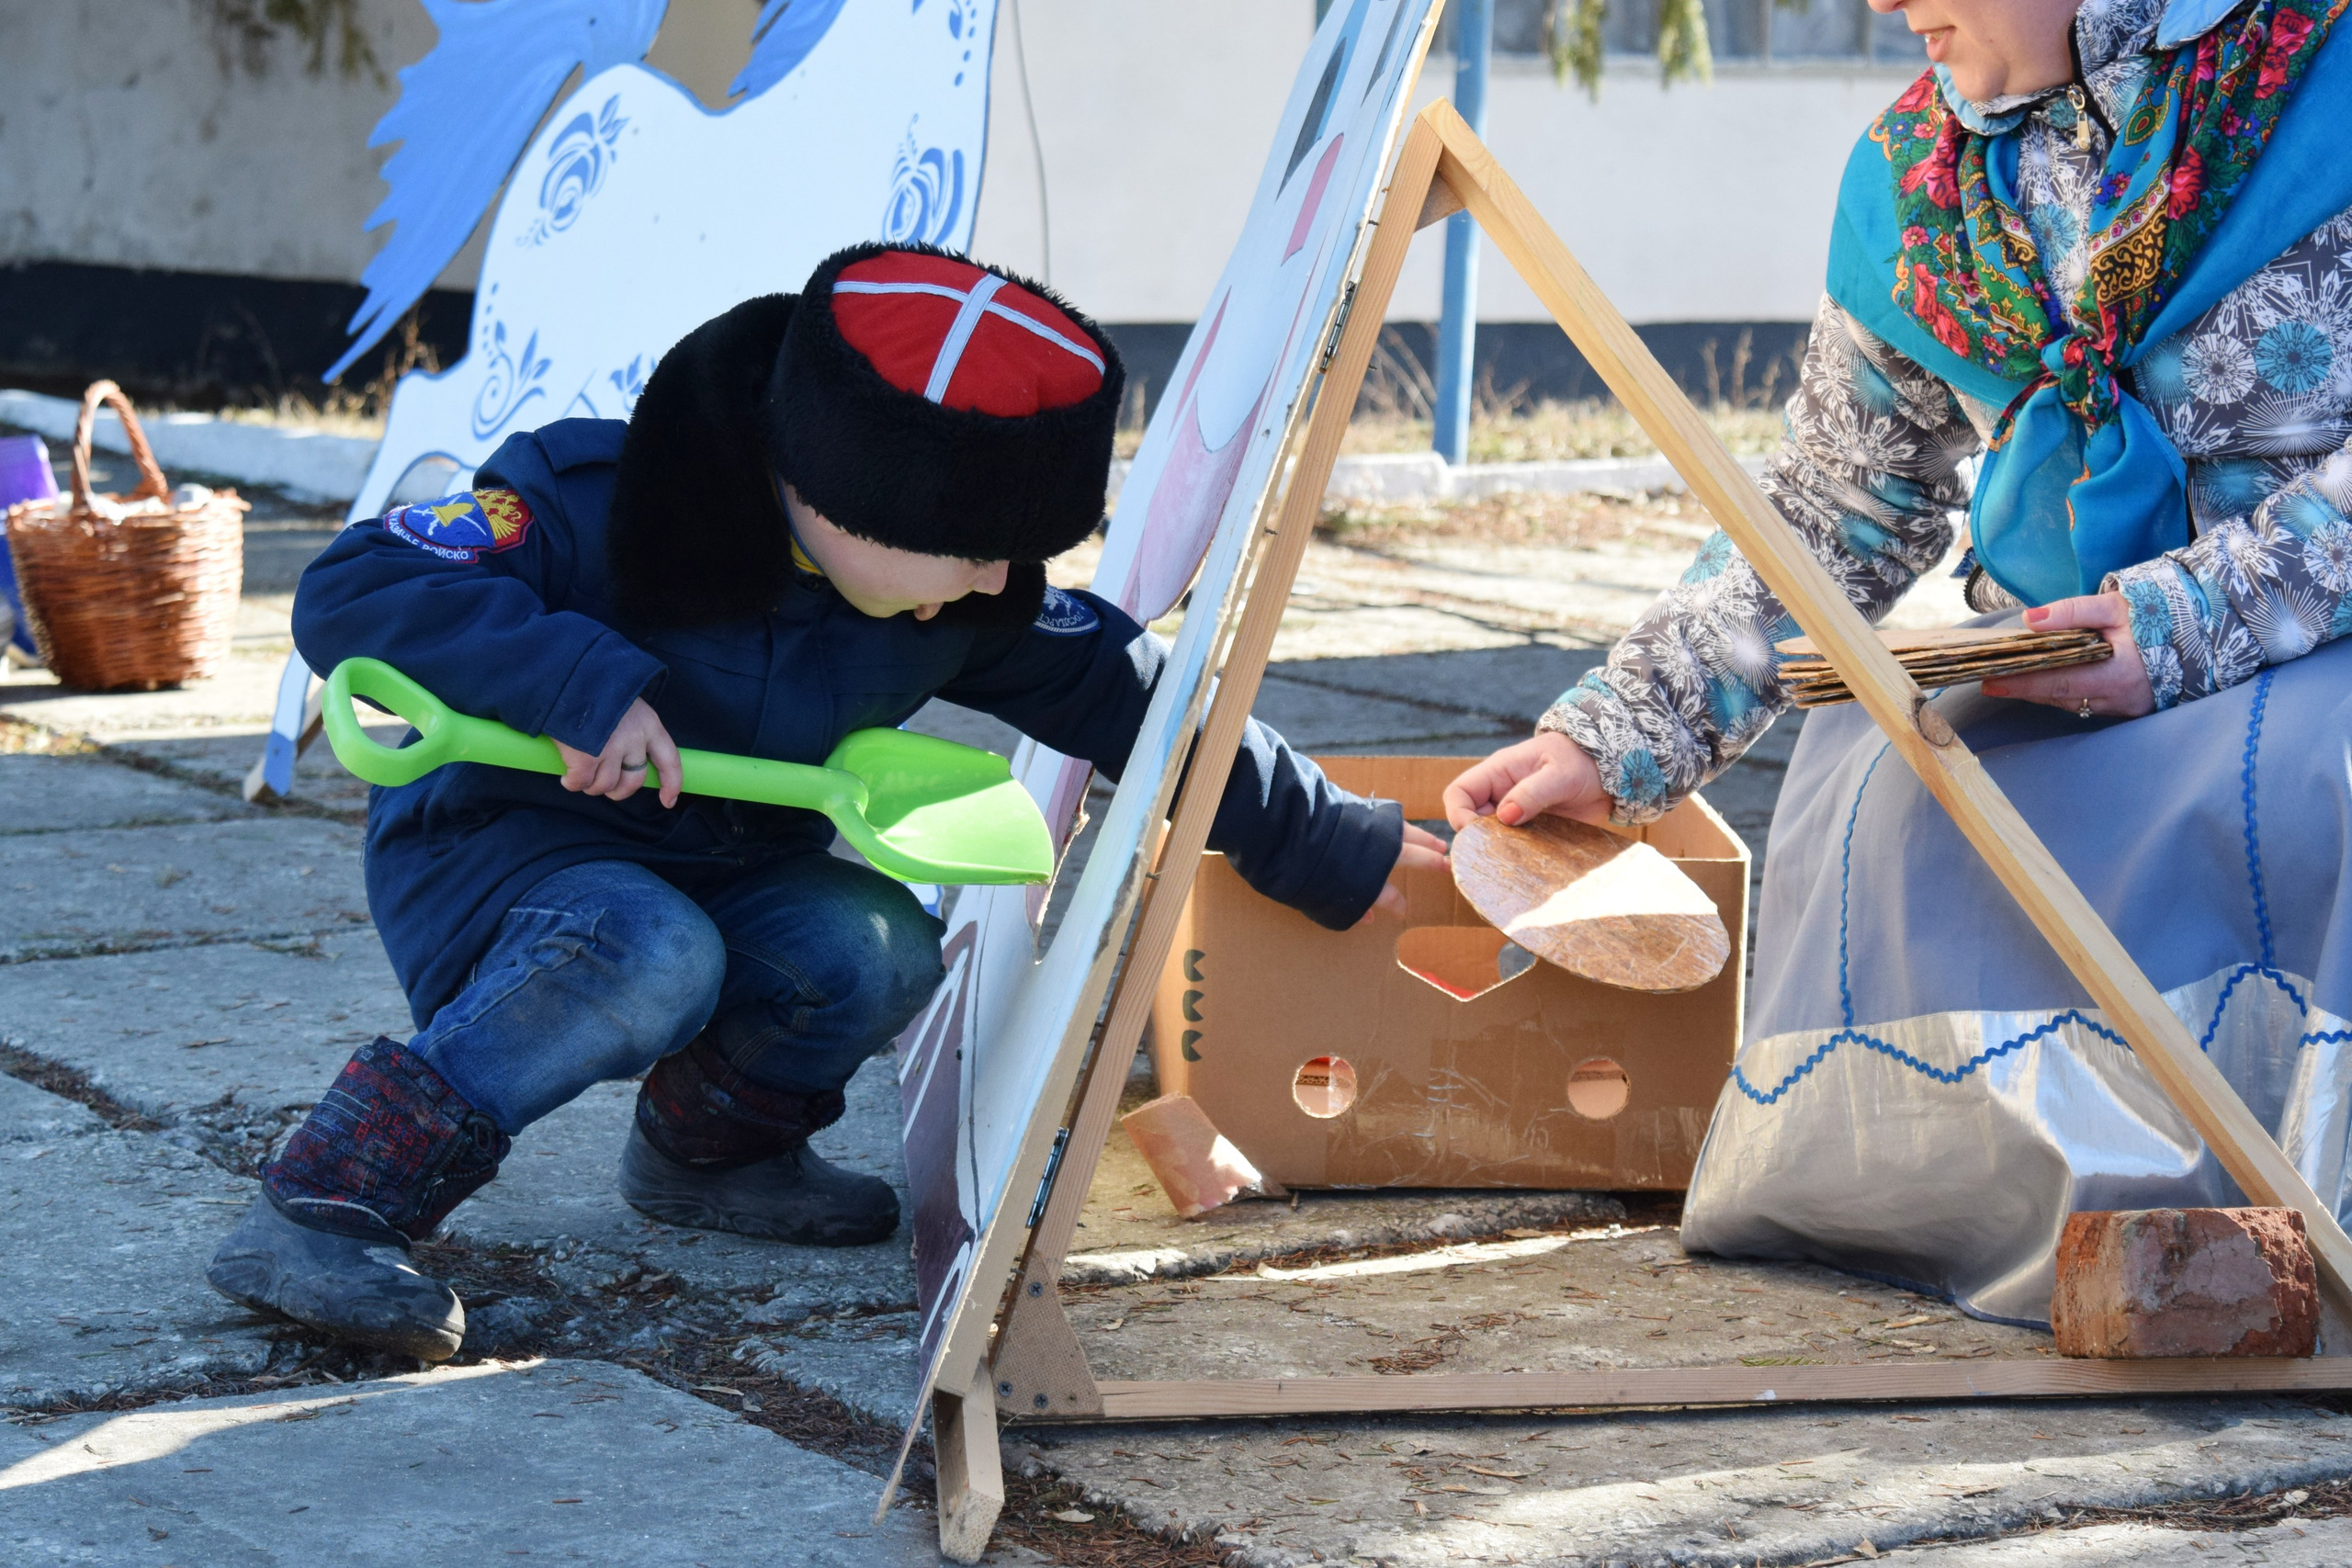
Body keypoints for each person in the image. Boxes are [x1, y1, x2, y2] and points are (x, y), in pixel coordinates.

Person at [207, 243, 1447, 1360]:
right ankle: (327, 1206)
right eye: (975, 545)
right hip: (506, 862)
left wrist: (1330, 840)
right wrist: (572, 688)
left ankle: (710, 1155)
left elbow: (1146, 702)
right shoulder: (594, 496)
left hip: (734, 859)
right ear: (854, 490)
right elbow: (360, 586)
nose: (1000, 580)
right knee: (653, 949)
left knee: (879, 945)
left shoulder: (953, 595)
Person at [1445, 0, 2352, 1325]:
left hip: (2318, 634)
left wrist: (2192, 620)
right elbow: (1830, 504)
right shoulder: (1920, 185)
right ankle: (2023, 1223)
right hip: (2063, 665)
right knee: (1889, 769)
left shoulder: (2328, 83)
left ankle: (2287, 1230)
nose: (1878, 2)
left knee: (2316, 777)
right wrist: (1612, 736)